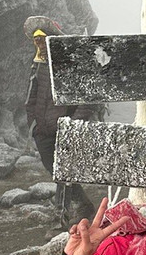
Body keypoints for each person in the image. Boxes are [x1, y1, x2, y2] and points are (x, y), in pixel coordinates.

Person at [23, 15, 104, 222]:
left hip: (64, 127)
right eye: (36, 40)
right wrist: (34, 124)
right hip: (42, 129)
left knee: (63, 172)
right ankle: (83, 205)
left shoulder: (72, 62)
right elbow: (31, 97)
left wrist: (71, 123)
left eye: (42, 39)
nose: (39, 44)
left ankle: (61, 217)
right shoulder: (37, 64)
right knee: (55, 171)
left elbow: (89, 97)